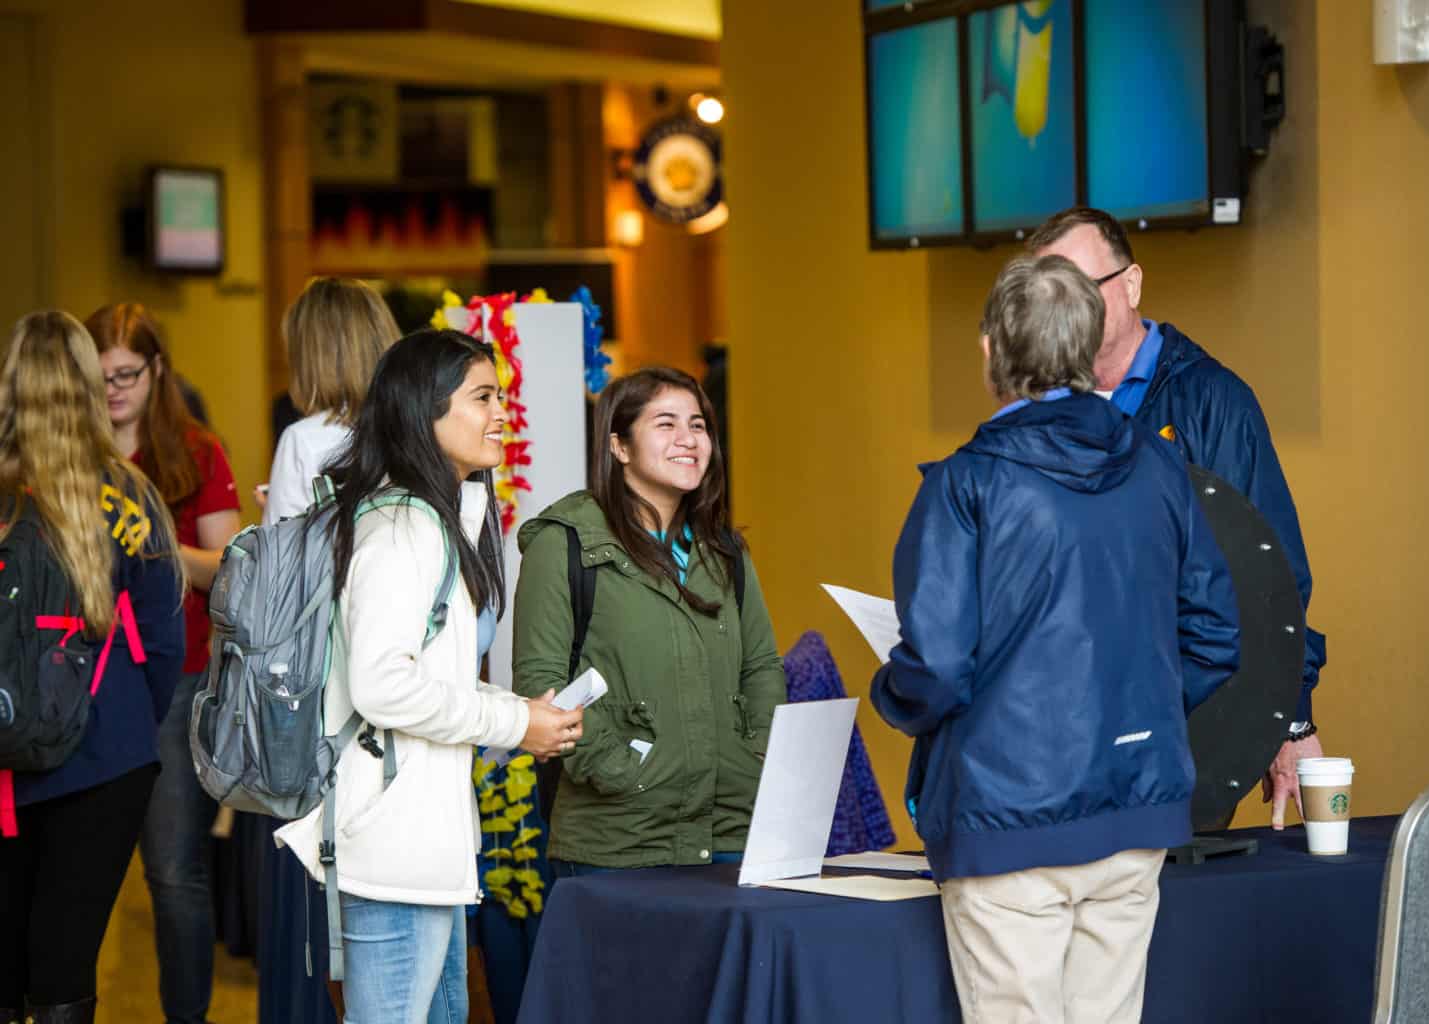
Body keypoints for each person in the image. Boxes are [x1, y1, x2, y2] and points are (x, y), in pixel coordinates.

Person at [871, 255, 1240, 1024]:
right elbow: (1213, 632)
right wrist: (1136, 706)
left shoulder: (964, 484)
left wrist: (889, 691)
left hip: (1007, 812)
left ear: (988, 349)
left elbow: (935, 667)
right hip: (1136, 807)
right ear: (1086, 345)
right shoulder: (1161, 466)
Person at [273, 329, 581, 1021]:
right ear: (424, 411)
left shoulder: (433, 522)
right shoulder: (401, 527)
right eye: (482, 397)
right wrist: (511, 721)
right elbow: (384, 686)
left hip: (423, 847)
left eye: (499, 395)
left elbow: (424, 676)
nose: (502, 412)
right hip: (392, 850)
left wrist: (517, 713)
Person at [1028, 207, 1328, 829]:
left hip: (1185, 740)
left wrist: (1290, 720)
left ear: (1132, 284)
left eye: (1084, 289)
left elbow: (1272, 576)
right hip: (1064, 748)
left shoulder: (1212, 402)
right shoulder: (1040, 412)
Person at [511, 367, 786, 875]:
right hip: (619, 839)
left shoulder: (726, 552)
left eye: (698, 425)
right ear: (619, 446)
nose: (689, 439)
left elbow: (762, 666)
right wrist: (622, 768)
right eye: (666, 424)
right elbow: (542, 684)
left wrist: (758, 751)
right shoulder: (564, 545)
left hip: (731, 830)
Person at [0, 311, 186, 1024]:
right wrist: (126, 718)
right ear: (87, 385)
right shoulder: (130, 495)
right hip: (108, 755)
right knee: (66, 959)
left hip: (5, 762)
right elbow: (165, 644)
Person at [84, 303, 241, 1024]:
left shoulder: (195, 451)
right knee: (80, 877)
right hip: (79, 684)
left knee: (173, 873)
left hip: (178, 682)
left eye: (126, 375)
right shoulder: (69, 453)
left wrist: (152, 548)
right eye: (100, 375)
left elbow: (231, 571)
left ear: (156, 371)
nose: (113, 389)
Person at [253, 278, 397, 1024]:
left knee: (312, 890)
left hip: (320, 693)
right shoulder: (415, 437)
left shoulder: (304, 440)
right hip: (399, 688)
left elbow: (280, 588)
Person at [258, 277, 397, 523]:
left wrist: (278, 506)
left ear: (310, 358)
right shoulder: (422, 425)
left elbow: (283, 557)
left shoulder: (303, 440)